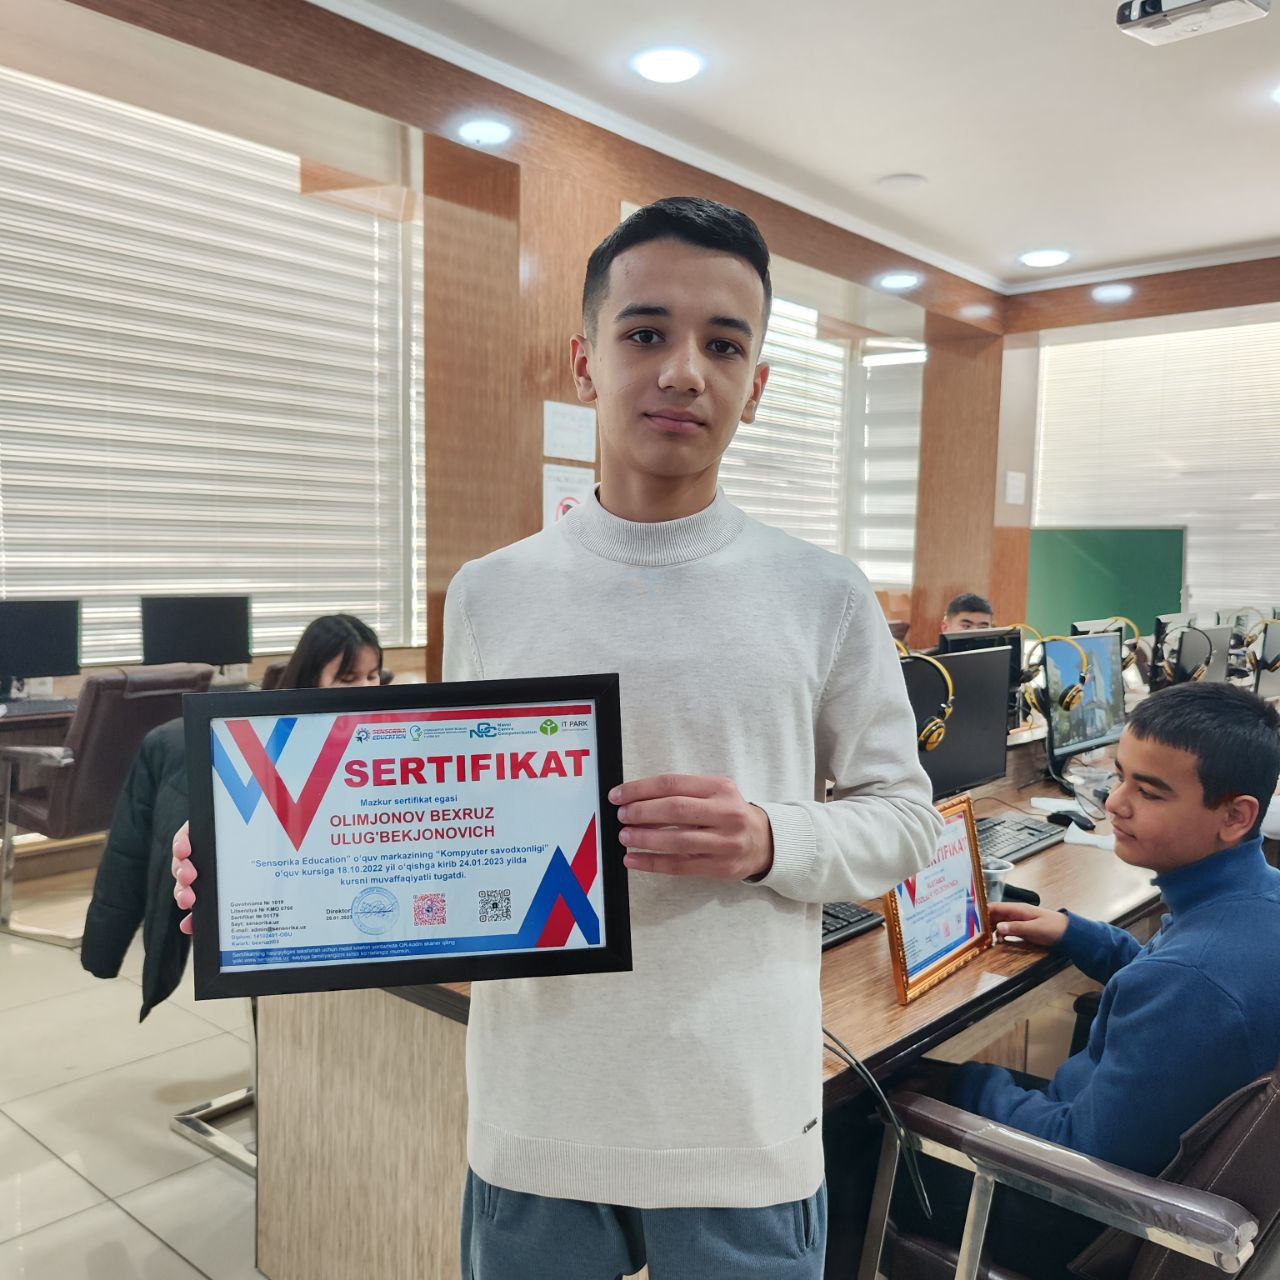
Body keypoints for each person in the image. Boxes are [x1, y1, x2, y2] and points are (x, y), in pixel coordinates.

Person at [173, 196, 940, 1278]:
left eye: (724, 345)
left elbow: (904, 822)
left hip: (737, 1117)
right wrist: (257, 863)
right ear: (586, 361)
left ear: (758, 384)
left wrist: (769, 836)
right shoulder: (490, 592)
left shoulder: (824, 593)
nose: (684, 371)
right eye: (646, 332)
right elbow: (441, 820)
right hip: (535, 1108)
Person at [895, 681, 1280, 1279]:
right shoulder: (1257, 903)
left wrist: (964, 1084)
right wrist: (1083, 935)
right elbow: (1177, 990)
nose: (1115, 803)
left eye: (1148, 791)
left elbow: (1083, 1152)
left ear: (1235, 816)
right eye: (1120, 776)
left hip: (1079, 1213)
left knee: (859, 1118)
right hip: (1128, 1144)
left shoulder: (1192, 980)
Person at [85, 614, 382, 1016]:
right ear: (310, 678)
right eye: (348, 679)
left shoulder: (380, 745)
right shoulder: (258, 751)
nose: (366, 689)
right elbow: (127, 855)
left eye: (373, 676)